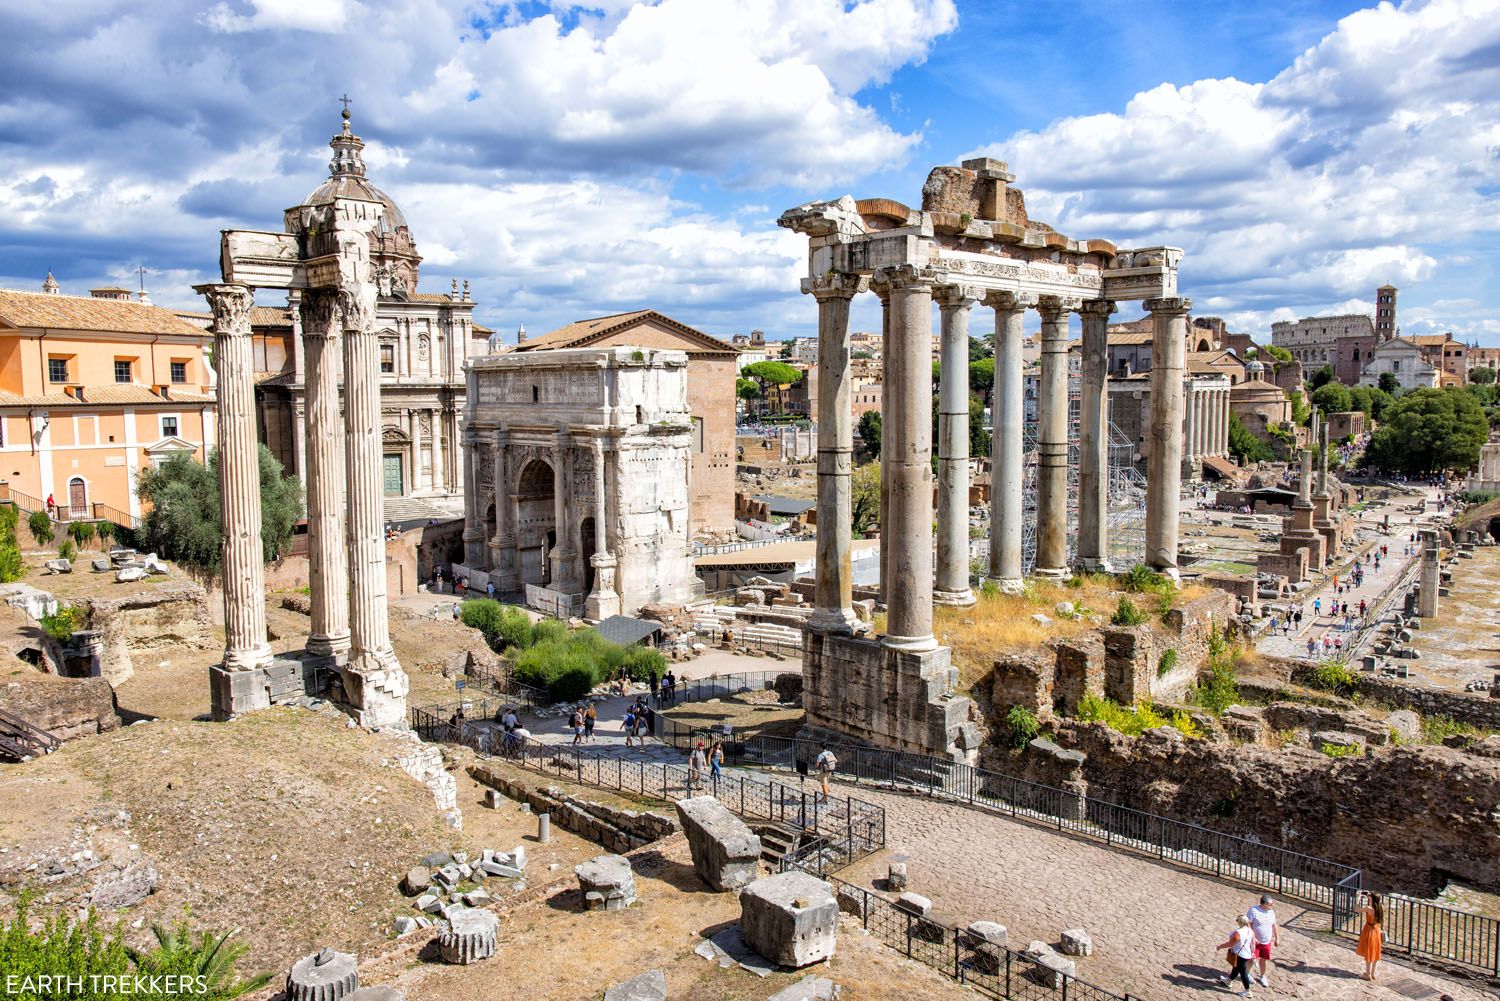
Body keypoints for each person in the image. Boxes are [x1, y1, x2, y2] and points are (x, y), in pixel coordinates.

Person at [1215, 915, 1256, 996]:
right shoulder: (1251, 931)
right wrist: (1252, 952)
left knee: (1243, 973)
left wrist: (1220, 946)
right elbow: (1253, 943)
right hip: (1246, 954)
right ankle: (1228, 981)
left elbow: (1230, 943)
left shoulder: (1238, 933)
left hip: (1240, 955)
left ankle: (1247, 991)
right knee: (1236, 968)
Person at [1246, 895, 1279, 988]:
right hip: (1255, 941)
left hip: (1266, 941)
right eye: (1270, 904)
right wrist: (1252, 936)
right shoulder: (1254, 911)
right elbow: (1247, 923)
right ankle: (1246, 974)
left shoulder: (1271, 912)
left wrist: (1277, 938)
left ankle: (1262, 976)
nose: (1272, 906)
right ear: (1264, 904)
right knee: (1251, 959)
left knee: (1264, 960)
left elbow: (1274, 925)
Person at [1356, 892, 1384, 981]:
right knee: (1375, 951)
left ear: (1372, 898)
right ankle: (1373, 973)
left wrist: (1358, 897)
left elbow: (1357, 909)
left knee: (1368, 952)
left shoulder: (1369, 908)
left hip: (1369, 930)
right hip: (1376, 930)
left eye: (1369, 896)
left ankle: (1367, 974)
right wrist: (1369, 894)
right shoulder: (1380, 907)